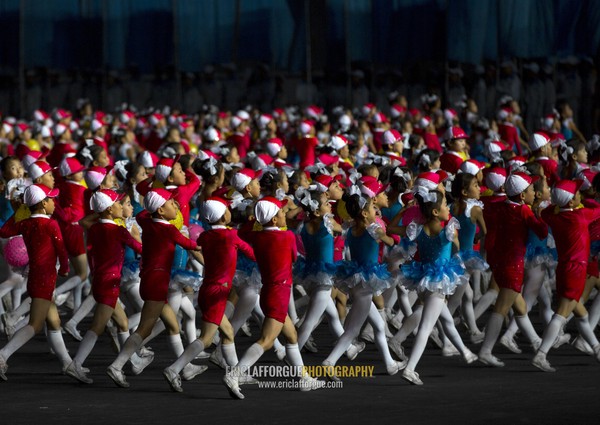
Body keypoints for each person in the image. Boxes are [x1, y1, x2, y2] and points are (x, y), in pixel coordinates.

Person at [223, 197, 324, 399]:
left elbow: (242, 231)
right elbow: (294, 257)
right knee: (267, 340)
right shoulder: (287, 237)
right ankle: (235, 374)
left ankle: (304, 379)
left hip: (268, 291)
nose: (284, 214)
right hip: (279, 294)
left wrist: (258, 219)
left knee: (292, 336)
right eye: (280, 213)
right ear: (274, 220)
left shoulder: (256, 237)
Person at [105, 188, 203, 388]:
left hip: (148, 278)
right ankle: (118, 365)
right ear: (160, 210)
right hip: (157, 281)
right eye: (170, 203)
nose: (175, 206)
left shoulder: (146, 222)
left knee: (172, 324)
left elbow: (142, 214)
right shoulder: (168, 229)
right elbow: (192, 245)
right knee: (144, 328)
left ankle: (183, 368)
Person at [163, 196, 256, 392]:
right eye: (227, 209)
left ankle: (236, 375)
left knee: (228, 333)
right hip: (217, 291)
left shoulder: (205, 236)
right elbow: (251, 252)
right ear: (223, 216)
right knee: (206, 339)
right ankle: (174, 368)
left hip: (208, 289)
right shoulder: (230, 236)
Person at [64, 189, 150, 384]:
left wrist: (102, 210)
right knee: (97, 327)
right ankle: (75, 363)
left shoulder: (94, 228)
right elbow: (141, 249)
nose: (122, 206)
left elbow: (85, 221)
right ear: (110, 209)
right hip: (109, 284)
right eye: (119, 203)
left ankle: (132, 360)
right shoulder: (119, 231)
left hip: (99, 281)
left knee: (123, 323)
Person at [400, 189, 478, 385]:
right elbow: (457, 248)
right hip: (438, 281)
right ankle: (410, 368)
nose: (448, 209)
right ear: (435, 212)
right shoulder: (448, 230)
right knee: (426, 327)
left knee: (447, 320)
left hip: (423, 279)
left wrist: (404, 212)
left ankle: (465, 352)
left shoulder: (417, 229)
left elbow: (395, 229)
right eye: (444, 206)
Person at [0, 184, 71, 380]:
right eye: (50, 200)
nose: (54, 203)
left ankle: (69, 363)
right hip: (45, 278)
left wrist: (22, 209)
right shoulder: (50, 224)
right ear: (42, 204)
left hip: (33, 276)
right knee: (35, 325)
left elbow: (5, 231)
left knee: (54, 321)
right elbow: (61, 250)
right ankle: (2, 355)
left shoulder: (24, 223)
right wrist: (65, 268)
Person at [478, 172, 548, 367]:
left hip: (498, 262)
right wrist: (540, 215)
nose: (535, 192)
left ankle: (537, 343)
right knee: (501, 309)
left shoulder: (498, 207)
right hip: (512, 265)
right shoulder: (524, 210)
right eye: (532, 189)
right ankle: (485, 350)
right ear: (523, 196)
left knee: (521, 308)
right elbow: (542, 232)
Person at [533, 179, 600, 371]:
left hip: (564, 268)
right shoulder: (580, 216)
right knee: (561, 314)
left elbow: (546, 212)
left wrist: (558, 204)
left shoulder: (554, 217)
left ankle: (596, 348)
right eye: (578, 193)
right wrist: (592, 198)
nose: (580, 195)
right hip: (577, 270)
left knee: (582, 314)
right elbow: (596, 208)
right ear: (571, 202)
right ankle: (541, 353)